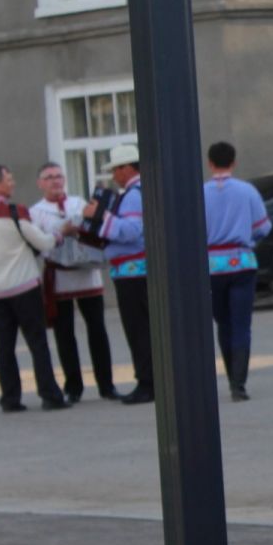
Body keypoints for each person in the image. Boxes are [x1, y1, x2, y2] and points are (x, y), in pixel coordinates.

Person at [0, 164, 66, 414]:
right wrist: (59, 234)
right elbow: (42, 241)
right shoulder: (14, 212)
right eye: (8, 179)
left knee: (4, 345)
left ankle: (10, 398)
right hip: (23, 287)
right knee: (37, 342)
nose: (12, 183)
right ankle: (50, 394)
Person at [30, 161, 117, 403]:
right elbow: (38, 243)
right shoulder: (36, 212)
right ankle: (73, 386)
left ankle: (106, 384)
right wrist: (61, 231)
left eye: (58, 176)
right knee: (64, 333)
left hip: (87, 273)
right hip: (60, 276)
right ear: (40, 184)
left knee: (97, 329)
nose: (55, 181)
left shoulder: (79, 203)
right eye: (49, 177)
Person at [202, 141, 270, 402]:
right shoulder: (247, 191)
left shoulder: (201, 192)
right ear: (233, 161)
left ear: (210, 163)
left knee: (223, 322)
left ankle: (231, 374)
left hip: (211, 266)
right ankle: (238, 384)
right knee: (242, 323)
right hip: (242, 263)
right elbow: (263, 227)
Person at [88, 144, 154, 405]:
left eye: (116, 169)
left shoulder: (133, 195)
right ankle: (149, 379)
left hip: (133, 274)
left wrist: (98, 217)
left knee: (139, 330)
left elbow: (131, 231)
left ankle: (147, 382)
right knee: (142, 329)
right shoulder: (137, 192)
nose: (114, 175)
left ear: (127, 168)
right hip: (134, 272)